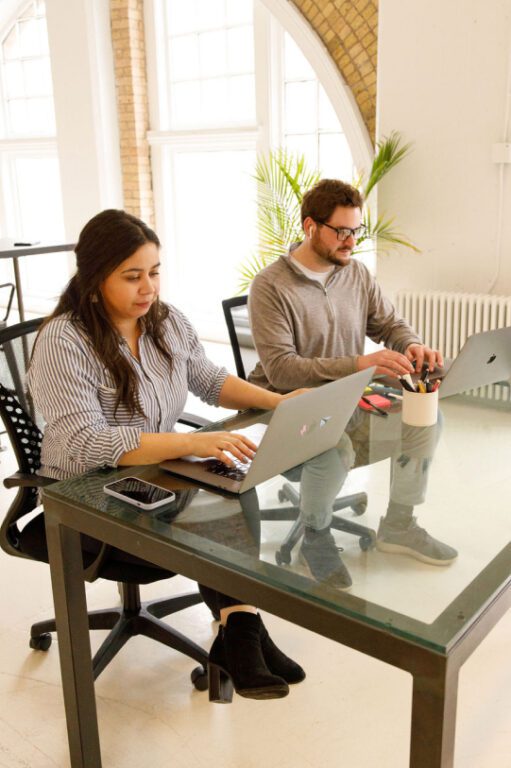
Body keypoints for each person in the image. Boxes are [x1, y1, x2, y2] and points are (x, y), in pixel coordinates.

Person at [27, 208, 307, 701]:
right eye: (132, 277)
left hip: (152, 472)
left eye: (154, 272)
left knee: (232, 479)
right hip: (84, 495)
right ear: (94, 280)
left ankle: (240, 627)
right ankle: (243, 631)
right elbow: (83, 444)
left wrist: (277, 402)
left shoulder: (165, 320)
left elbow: (206, 378)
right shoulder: (64, 341)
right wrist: (190, 442)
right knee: (215, 502)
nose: (148, 288)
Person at [248, 179, 457, 578]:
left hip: (348, 399)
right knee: (333, 447)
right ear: (310, 226)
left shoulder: (356, 274)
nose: (350, 242)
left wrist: (411, 345)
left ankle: (398, 525)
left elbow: (390, 323)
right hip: (291, 406)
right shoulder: (270, 286)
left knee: (425, 417)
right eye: (340, 232)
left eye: (355, 231)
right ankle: (315, 534)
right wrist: (361, 364)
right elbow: (282, 369)